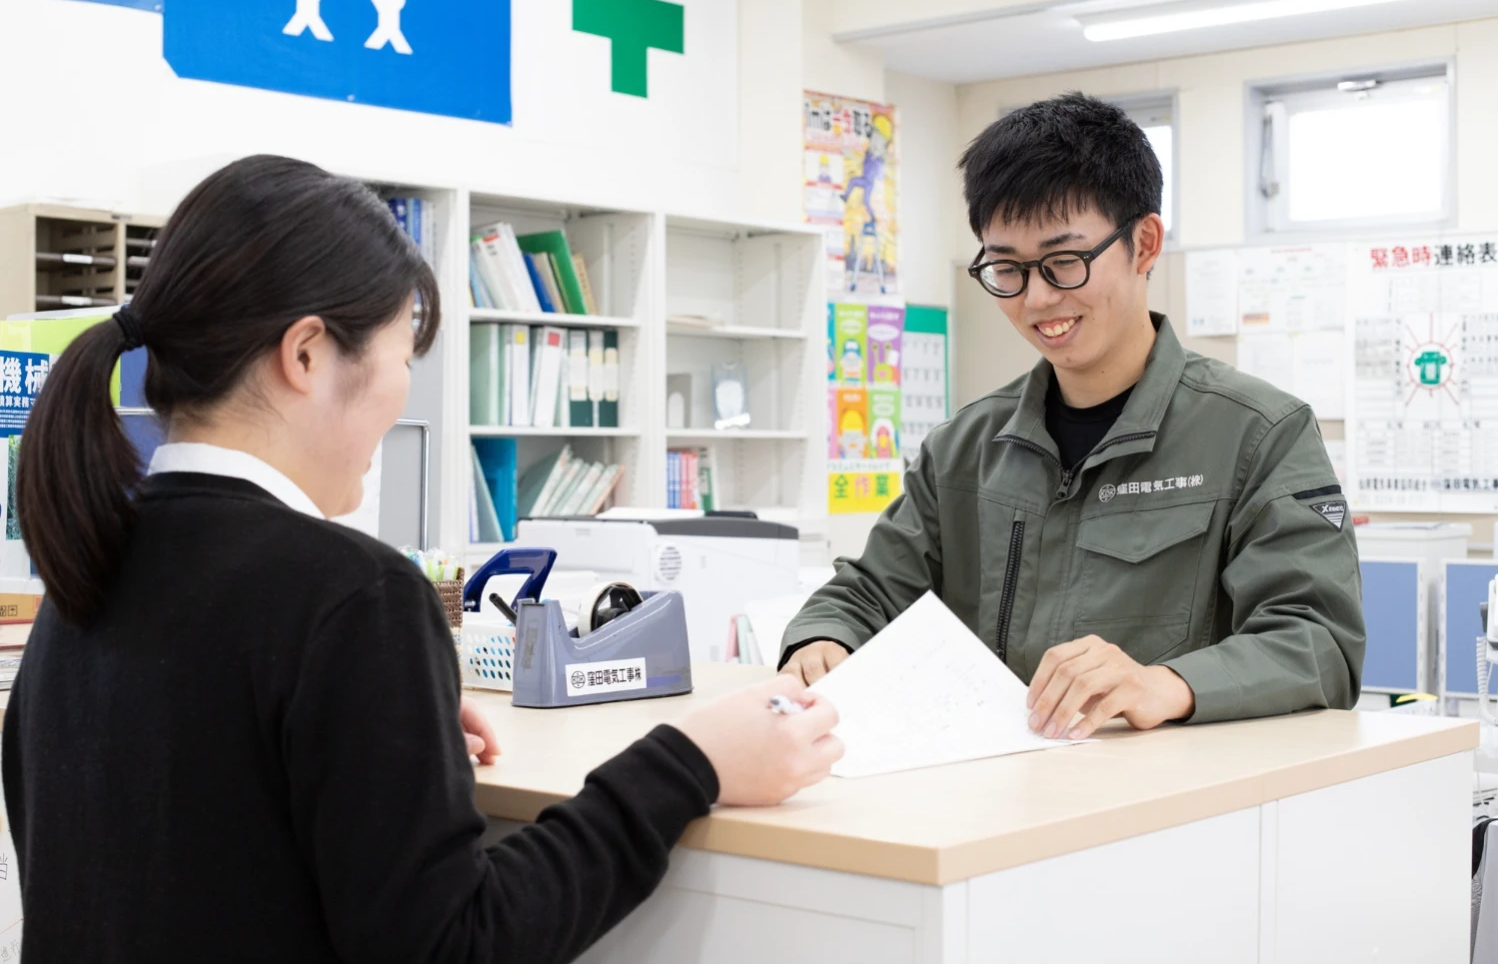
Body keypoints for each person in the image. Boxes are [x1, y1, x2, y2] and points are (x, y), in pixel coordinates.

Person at [3, 155, 842, 965]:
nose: (404, 389)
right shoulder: (352, 594)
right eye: (404, 357)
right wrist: (687, 762)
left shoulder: (84, 575)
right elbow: (458, 943)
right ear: (306, 354)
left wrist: (384, 728)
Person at [781, 93, 1364, 742]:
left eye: (1064, 262)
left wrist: (1163, 684)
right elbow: (866, 592)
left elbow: (1319, 642)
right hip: (995, 786)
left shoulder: (1259, 434)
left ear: (1145, 244)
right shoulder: (964, 448)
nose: (1036, 298)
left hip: (1170, 792)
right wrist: (822, 640)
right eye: (1007, 268)